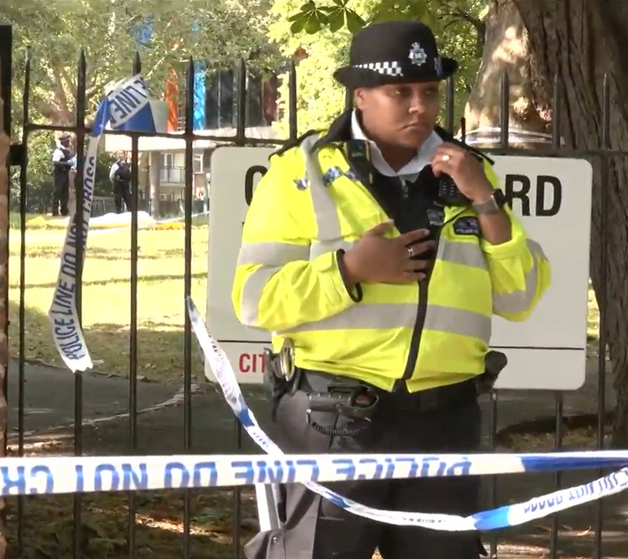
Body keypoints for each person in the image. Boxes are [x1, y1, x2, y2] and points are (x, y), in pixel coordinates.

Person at [233, 20, 551, 559]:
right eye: (398, 91)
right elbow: (254, 299)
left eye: (428, 92)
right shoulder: (299, 171)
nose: (418, 106)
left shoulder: (472, 174)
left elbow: (520, 297)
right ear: (360, 96)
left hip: (444, 423)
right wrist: (348, 270)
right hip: (333, 419)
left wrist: (484, 200)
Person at [51, 132, 76, 216]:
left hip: (65, 174)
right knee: (57, 192)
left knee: (65, 193)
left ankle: (64, 210)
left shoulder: (67, 151)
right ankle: (55, 211)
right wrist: (66, 164)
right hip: (59, 174)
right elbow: (55, 162)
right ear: (63, 142)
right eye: (67, 141)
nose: (69, 143)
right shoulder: (58, 151)